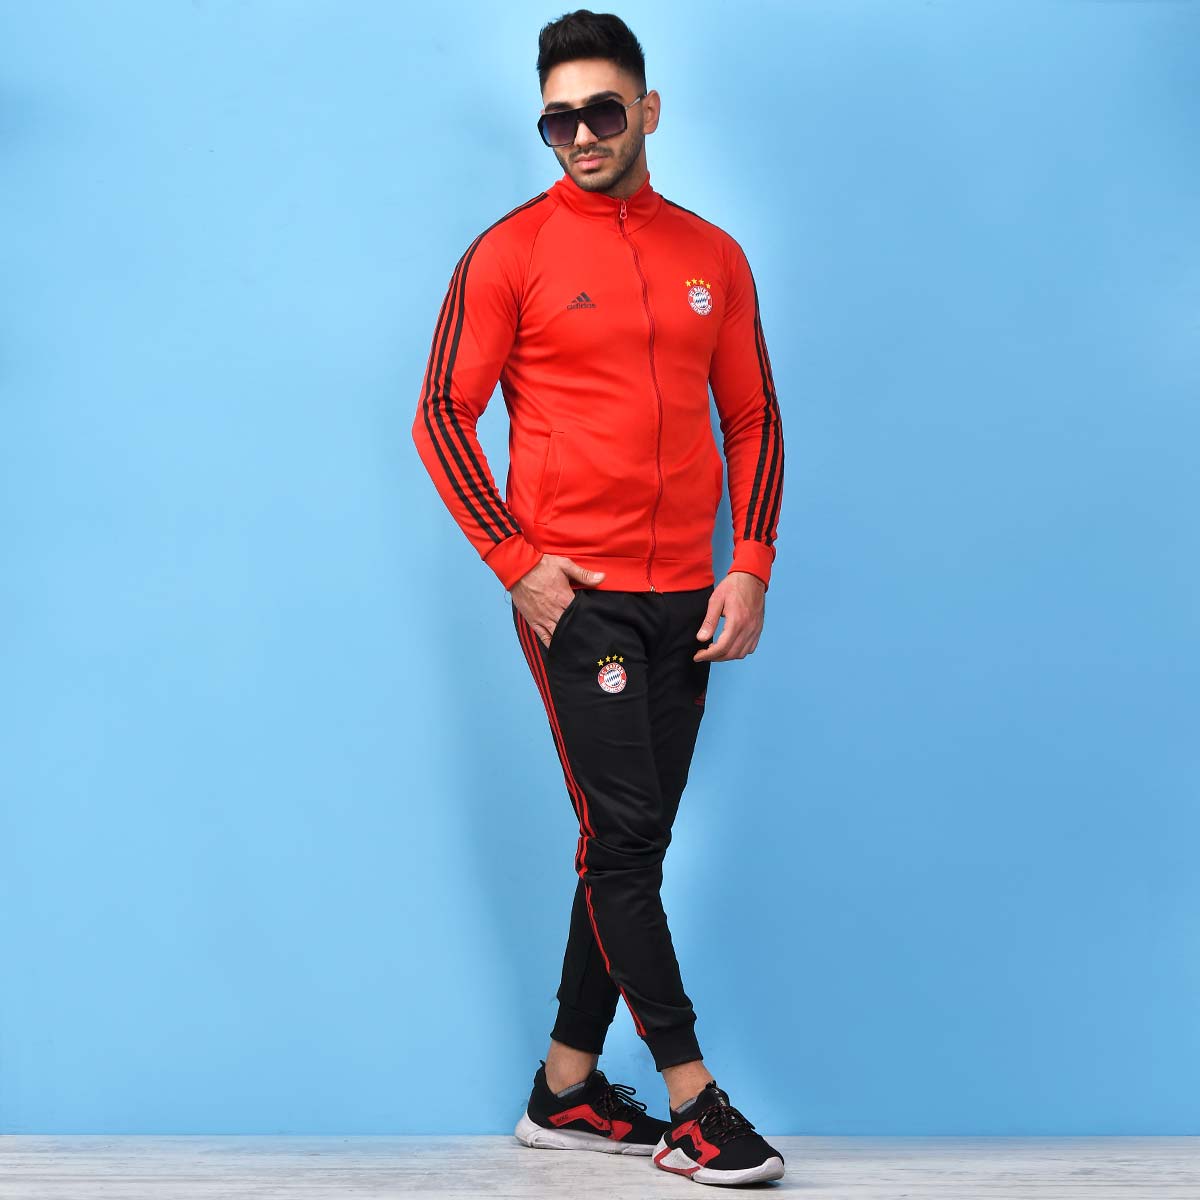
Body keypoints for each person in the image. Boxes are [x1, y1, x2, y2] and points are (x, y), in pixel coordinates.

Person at [411, 9, 785, 1187]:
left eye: (602, 111)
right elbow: (440, 413)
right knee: (624, 840)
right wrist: (516, 561)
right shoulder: (510, 253)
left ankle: (564, 1089)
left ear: (648, 112)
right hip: (579, 601)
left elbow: (753, 418)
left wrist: (751, 561)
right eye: (558, 119)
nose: (580, 134)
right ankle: (694, 1099)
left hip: (691, 600)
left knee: (628, 843)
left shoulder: (714, 255)